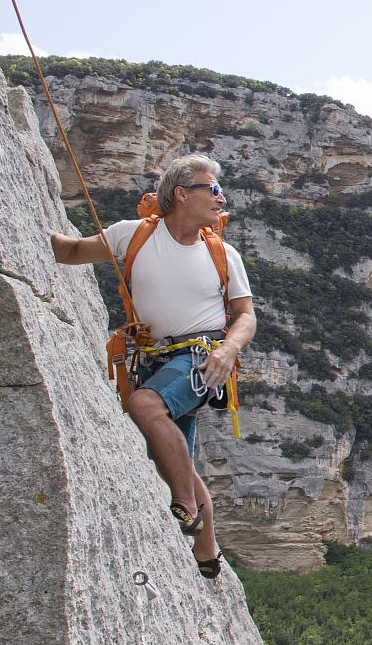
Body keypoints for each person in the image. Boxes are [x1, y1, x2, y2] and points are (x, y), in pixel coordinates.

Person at [51, 153, 256, 576]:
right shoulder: (132, 236)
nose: (221, 199)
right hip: (150, 360)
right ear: (182, 194)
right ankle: (207, 554)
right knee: (175, 458)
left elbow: (246, 316)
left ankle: (185, 507)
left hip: (201, 357)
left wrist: (227, 350)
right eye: (212, 189)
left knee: (145, 407)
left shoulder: (222, 253)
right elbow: (71, 252)